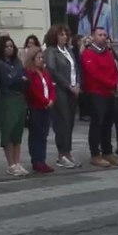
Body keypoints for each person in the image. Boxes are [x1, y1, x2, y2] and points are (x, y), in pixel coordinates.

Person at [81, 27, 118, 167]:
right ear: (93, 37)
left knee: (107, 124)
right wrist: (112, 84)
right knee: (97, 124)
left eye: (105, 35)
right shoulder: (88, 54)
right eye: (100, 35)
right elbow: (94, 74)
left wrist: (116, 83)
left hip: (109, 93)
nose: (103, 37)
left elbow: (114, 70)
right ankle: (95, 154)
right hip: (96, 93)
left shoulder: (108, 53)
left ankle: (107, 152)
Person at [43, 25, 80, 169]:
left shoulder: (68, 50)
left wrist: (77, 84)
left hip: (72, 90)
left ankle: (68, 152)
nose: (64, 37)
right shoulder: (51, 51)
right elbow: (52, 70)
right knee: (62, 123)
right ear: (54, 36)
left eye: (66, 34)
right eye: (61, 34)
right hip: (60, 90)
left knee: (70, 122)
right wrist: (68, 85)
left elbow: (75, 69)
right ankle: (61, 154)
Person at [0, 36, 29, 177]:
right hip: (6, 99)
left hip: (19, 98)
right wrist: (19, 78)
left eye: (11, 46)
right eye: (6, 46)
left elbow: (25, 77)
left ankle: (17, 162)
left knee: (17, 133)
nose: (9, 49)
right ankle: (11, 164)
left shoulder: (17, 62)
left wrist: (19, 78)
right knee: (8, 130)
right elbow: (9, 80)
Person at [22, 46, 55, 174]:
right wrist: (44, 101)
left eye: (42, 58)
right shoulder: (29, 72)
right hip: (36, 107)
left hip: (46, 107)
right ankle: (36, 160)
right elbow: (32, 91)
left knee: (43, 134)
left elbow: (51, 87)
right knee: (35, 135)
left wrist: (51, 100)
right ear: (32, 59)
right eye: (38, 58)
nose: (41, 60)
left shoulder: (45, 72)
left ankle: (42, 159)